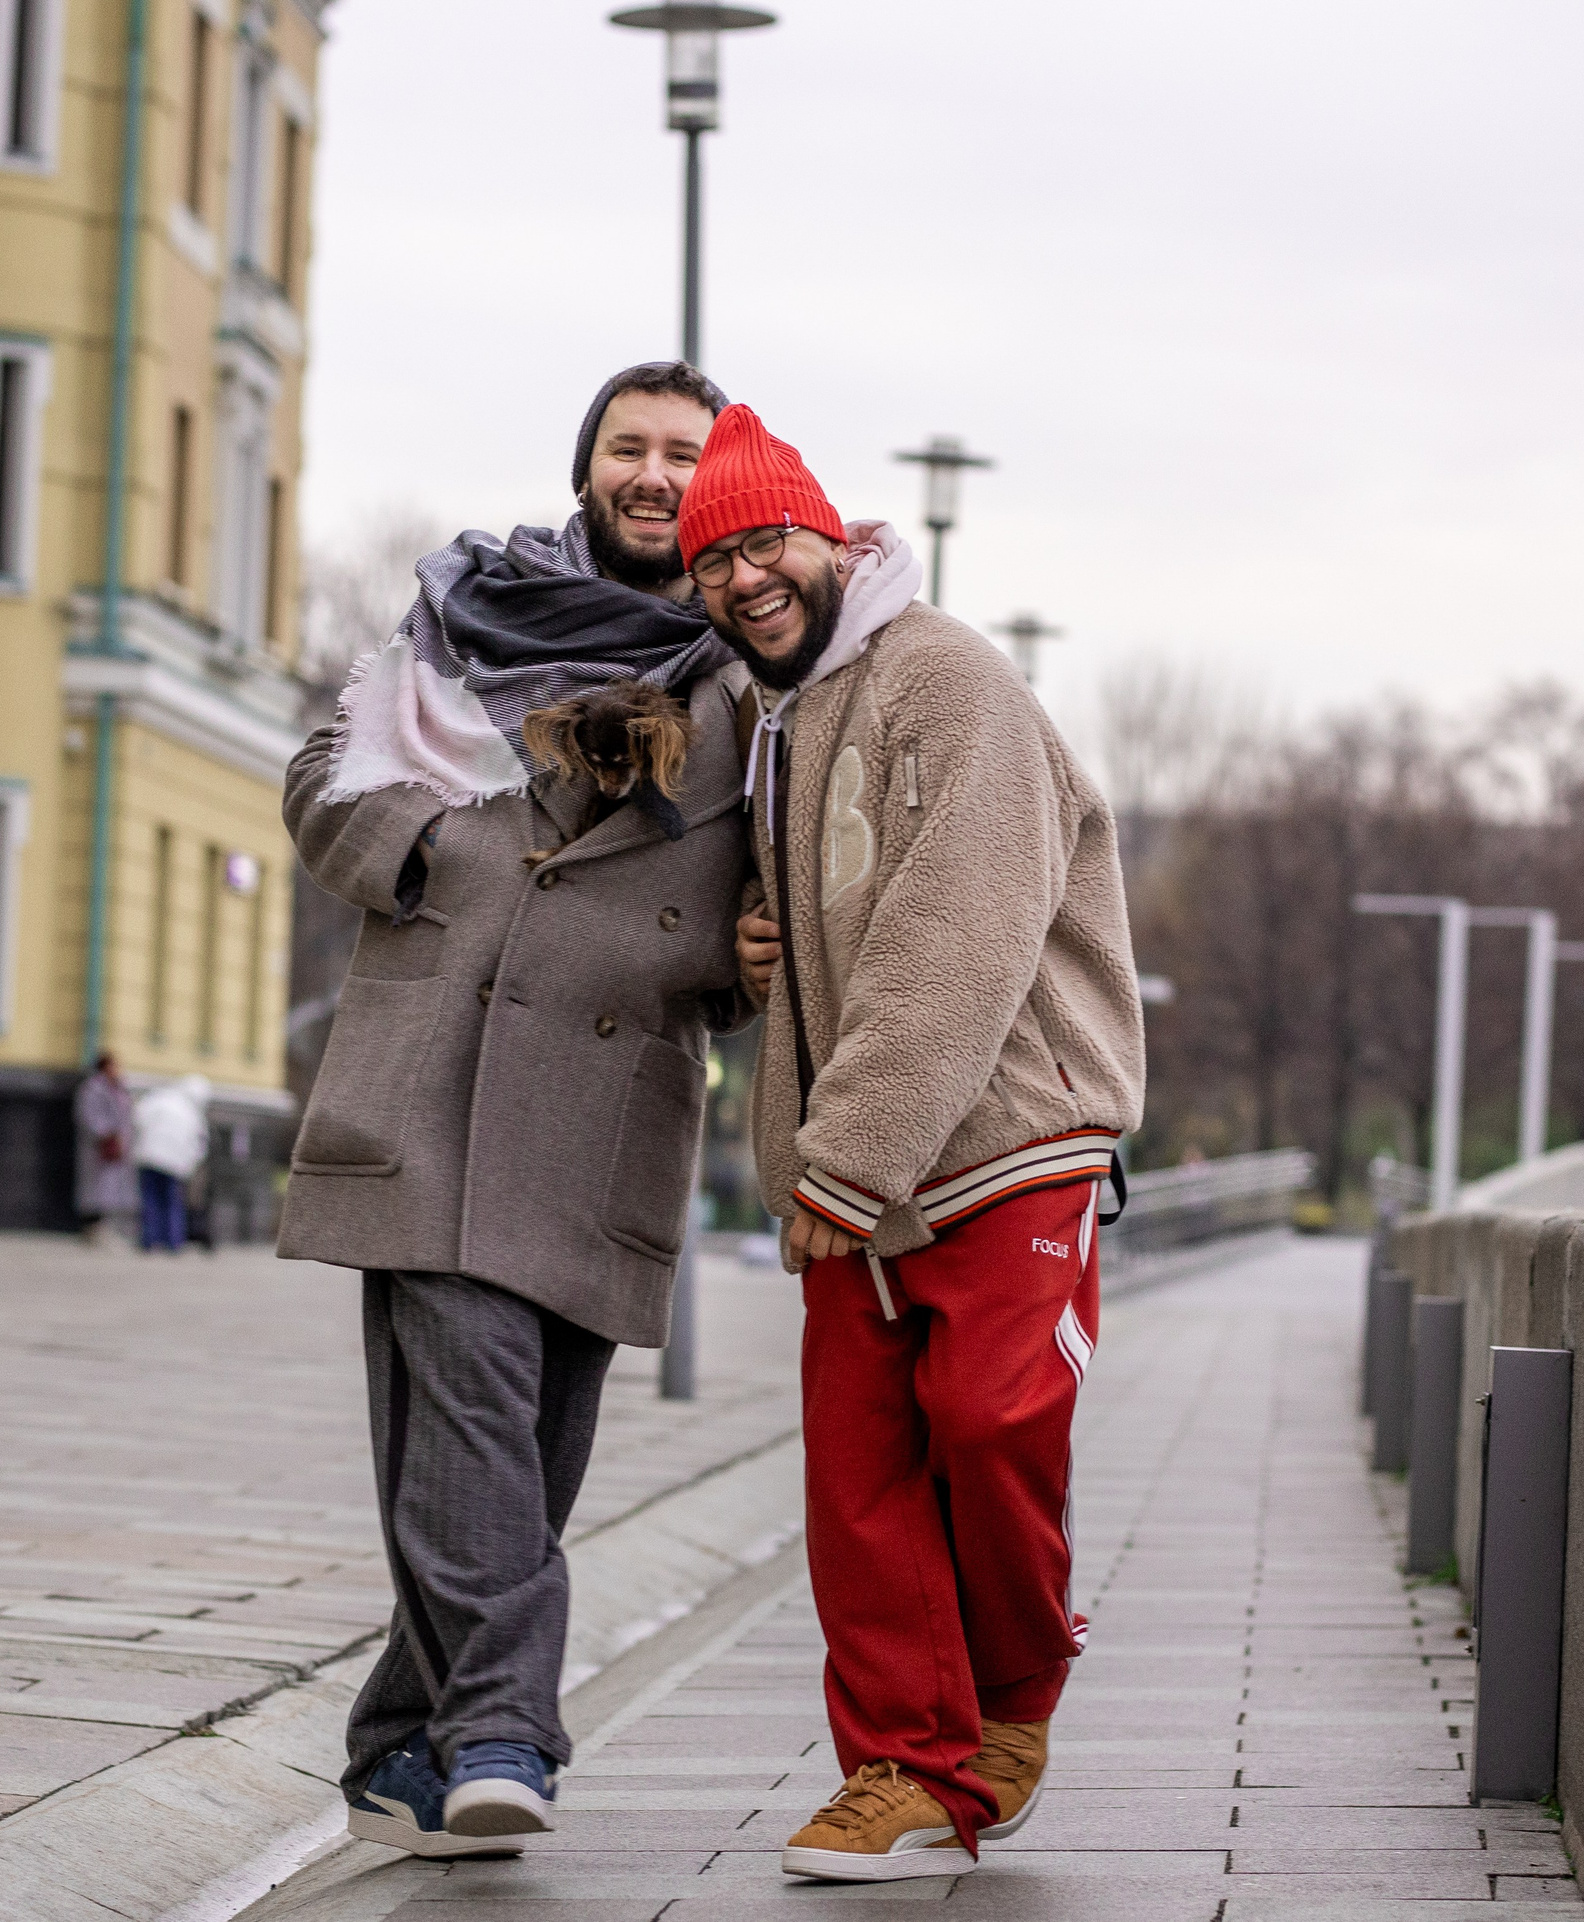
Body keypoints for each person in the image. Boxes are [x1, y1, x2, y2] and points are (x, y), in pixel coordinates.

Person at [278, 362, 758, 1860]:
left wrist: (749, 963)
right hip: (437, 1075)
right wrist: (431, 849)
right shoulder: (468, 617)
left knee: (514, 1457)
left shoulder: (754, 675)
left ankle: (393, 1749)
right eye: (627, 445)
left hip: (607, 1112)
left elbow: (774, 895)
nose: (653, 473)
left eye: (683, 452)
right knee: (472, 1414)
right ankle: (501, 1732)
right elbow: (323, 772)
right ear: (587, 466)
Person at [681, 407, 1145, 1881]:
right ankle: (902, 1765)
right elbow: (842, 913)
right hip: (853, 1158)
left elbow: (959, 927)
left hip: (1004, 1134)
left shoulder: (942, 675)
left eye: (766, 541)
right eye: (711, 561)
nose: (743, 577)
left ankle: (1013, 1694)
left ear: (831, 537)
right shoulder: (777, 713)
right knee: (859, 1473)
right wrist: (758, 943)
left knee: (991, 1422)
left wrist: (850, 1155)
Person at [131, 1074, 210, 1253]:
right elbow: (199, 1145)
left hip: (149, 1157)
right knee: (172, 1202)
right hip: (175, 1165)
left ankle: (149, 1240)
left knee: (150, 1199)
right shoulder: (192, 1114)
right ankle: (173, 1242)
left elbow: (137, 1118)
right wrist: (189, 1166)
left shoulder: (159, 1098)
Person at [73, 1053, 135, 1245]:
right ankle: (92, 1228)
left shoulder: (118, 1088)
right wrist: (107, 1134)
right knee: (96, 1189)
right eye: (114, 1066)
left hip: (116, 1147)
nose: (117, 1070)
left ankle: (103, 1227)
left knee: (109, 1189)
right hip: (100, 1147)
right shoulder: (92, 1089)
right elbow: (89, 1117)